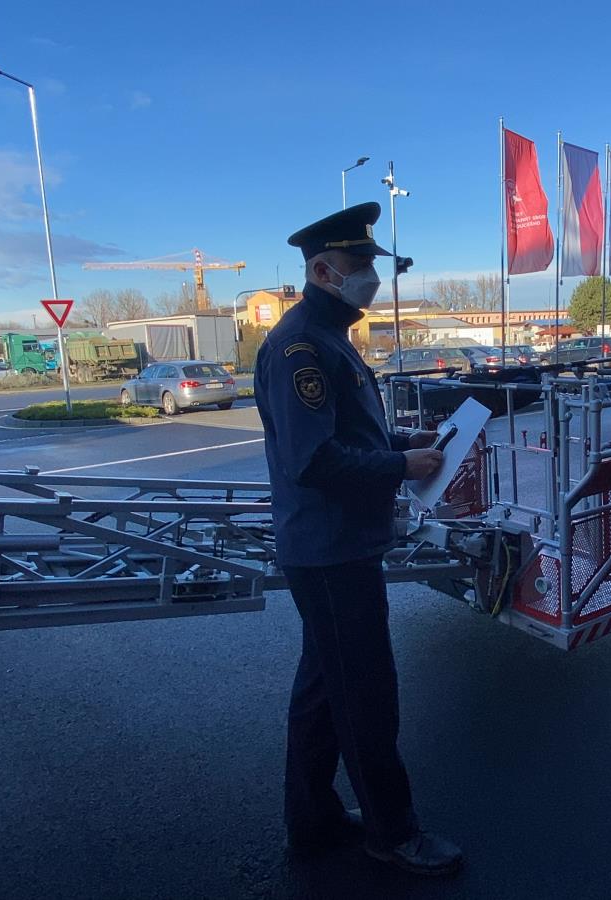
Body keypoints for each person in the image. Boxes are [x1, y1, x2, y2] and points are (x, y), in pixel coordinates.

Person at [256, 202, 464, 876]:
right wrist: (402, 467)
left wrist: (407, 443)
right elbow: (313, 461)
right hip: (330, 548)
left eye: (373, 265)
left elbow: (349, 436)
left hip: (333, 544)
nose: (371, 278)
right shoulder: (301, 348)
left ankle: (311, 820)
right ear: (322, 269)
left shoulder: (330, 338)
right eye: (360, 266)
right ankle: (392, 832)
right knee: (365, 695)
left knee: (324, 690)